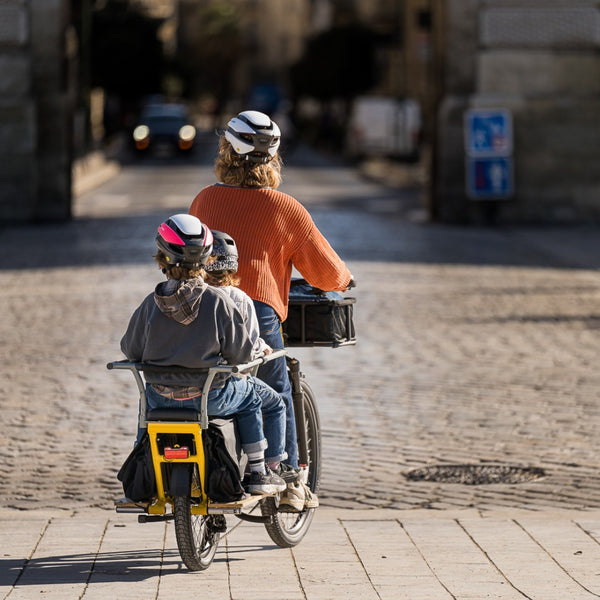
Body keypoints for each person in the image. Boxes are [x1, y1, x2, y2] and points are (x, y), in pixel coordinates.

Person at [189, 109, 353, 484]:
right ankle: (289, 478)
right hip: (258, 313)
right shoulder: (285, 208)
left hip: (203, 312)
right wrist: (345, 279)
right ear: (273, 158)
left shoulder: (204, 201)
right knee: (276, 392)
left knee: (204, 389)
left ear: (225, 151)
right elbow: (325, 271)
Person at [120, 213, 287, 495]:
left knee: (144, 403)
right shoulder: (219, 301)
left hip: (161, 397)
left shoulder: (150, 303)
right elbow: (240, 355)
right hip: (212, 398)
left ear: (162, 259)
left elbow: (131, 349)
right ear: (207, 259)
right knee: (252, 398)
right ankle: (259, 472)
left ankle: (143, 468)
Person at [203, 228, 319, 511]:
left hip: (169, 391)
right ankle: (271, 469)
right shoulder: (239, 299)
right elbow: (245, 348)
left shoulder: (186, 297)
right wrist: (262, 350)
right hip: (220, 387)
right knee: (269, 398)